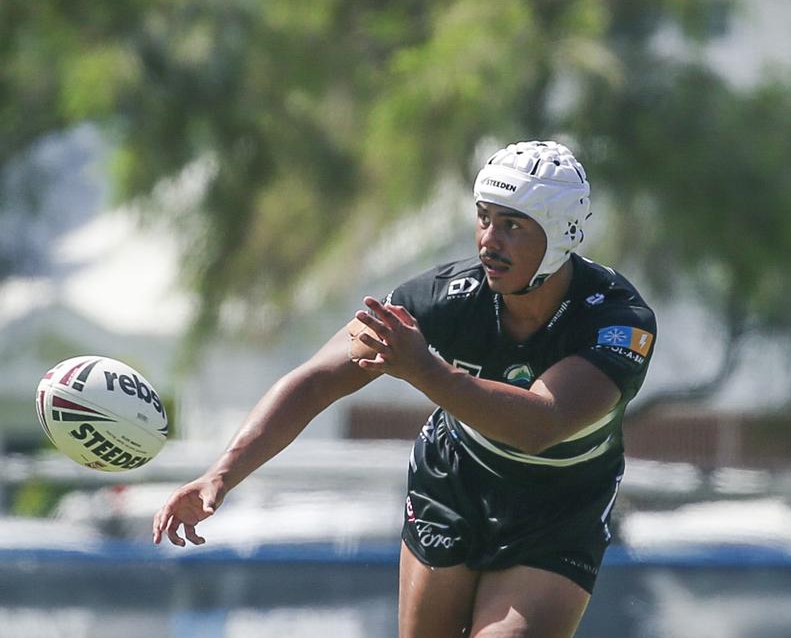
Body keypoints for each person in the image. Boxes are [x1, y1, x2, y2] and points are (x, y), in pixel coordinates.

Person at [153, 140, 657, 638]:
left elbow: (539, 426)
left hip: (559, 508)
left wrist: (424, 370)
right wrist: (220, 475)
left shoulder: (615, 319)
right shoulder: (443, 297)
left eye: (512, 225)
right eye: (483, 217)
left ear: (562, 233)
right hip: (455, 484)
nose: (488, 241)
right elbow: (315, 381)